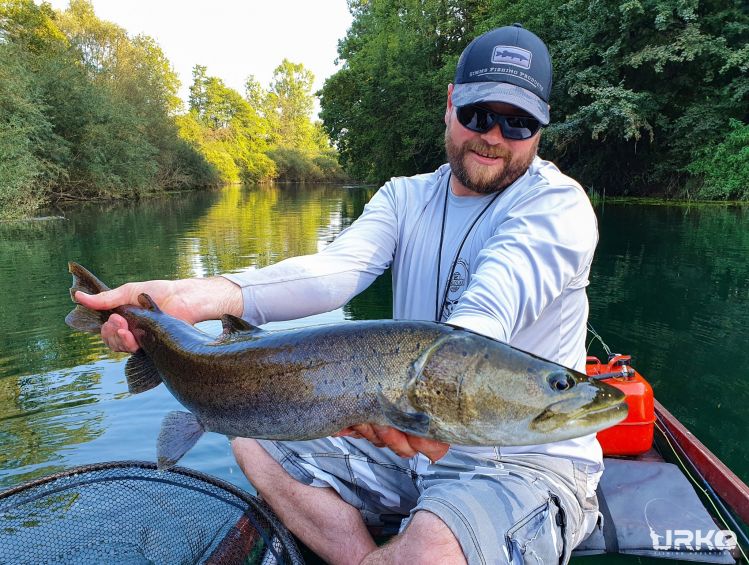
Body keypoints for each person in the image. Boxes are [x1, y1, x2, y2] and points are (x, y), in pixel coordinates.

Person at [78, 24, 601, 565]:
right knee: (250, 434)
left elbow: (494, 300)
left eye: (518, 122)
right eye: (478, 114)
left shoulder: (558, 206)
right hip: (408, 433)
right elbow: (332, 271)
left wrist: (426, 391)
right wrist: (192, 298)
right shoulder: (406, 197)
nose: (494, 134)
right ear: (450, 103)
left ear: (541, 126)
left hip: (519, 457)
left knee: (427, 555)